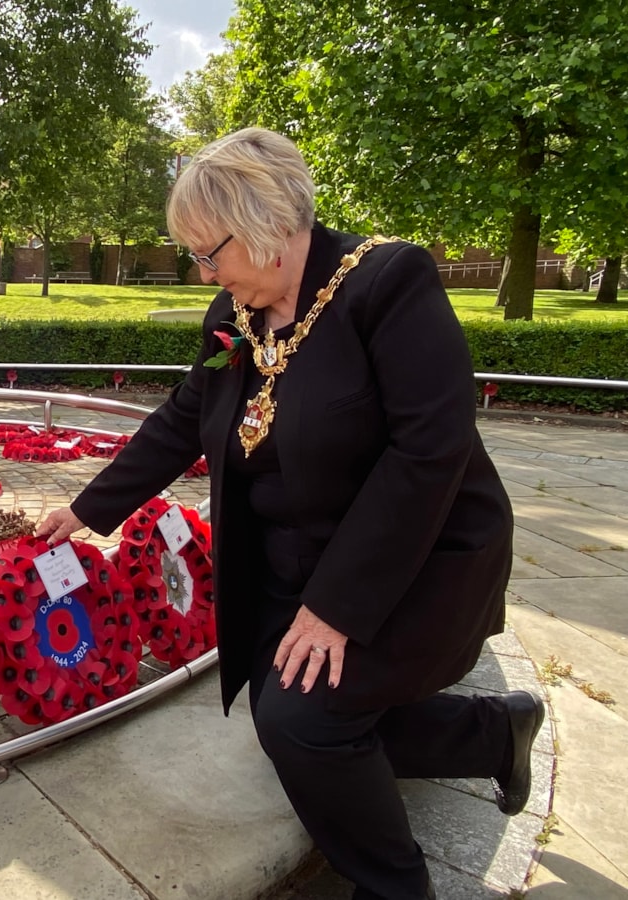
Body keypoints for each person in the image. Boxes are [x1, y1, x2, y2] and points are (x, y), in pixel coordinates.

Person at [36, 128, 544, 900]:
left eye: (210, 252)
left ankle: (396, 887)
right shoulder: (237, 305)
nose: (202, 271)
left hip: (414, 561)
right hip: (290, 558)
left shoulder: (388, 283)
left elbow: (428, 454)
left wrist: (337, 608)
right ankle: (492, 735)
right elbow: (185, 416)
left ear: (270, 224)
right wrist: (88, 507)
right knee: (297, 717)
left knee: (304, 725)